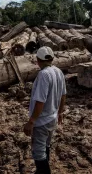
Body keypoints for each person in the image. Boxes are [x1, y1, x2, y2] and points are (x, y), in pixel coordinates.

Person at [24, 46, 66, 174]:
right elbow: (63, 94)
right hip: (52, 118)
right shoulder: (58, 71)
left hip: (42, 121)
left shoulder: (43, 74)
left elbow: (40, 101)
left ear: (37, 60)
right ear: (52, 58)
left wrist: (31, 122)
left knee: (38, 152)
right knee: (45, 146)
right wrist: (60, 112)